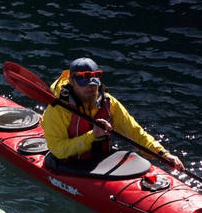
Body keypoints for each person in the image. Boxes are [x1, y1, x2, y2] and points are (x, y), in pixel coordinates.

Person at [41, 56, 185, 172]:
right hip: (69, 166)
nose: (91, 88)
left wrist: (163, 154)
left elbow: (134, 132)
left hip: (102, 162)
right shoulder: (57, 109)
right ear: (71, 81)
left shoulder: (109, 102)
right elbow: (58, 150)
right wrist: (92, 136)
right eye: (85, 83)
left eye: (94, 82)